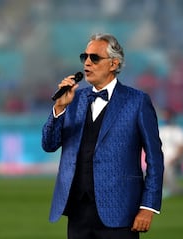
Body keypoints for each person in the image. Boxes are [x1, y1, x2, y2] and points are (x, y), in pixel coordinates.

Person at [42, 33, 164, 239]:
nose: (87, 62)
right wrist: (59, 109)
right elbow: (49, 144)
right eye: (85, 57)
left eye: (95, 58)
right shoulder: (73, 99)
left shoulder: (137, 101)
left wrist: (148, 207)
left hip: (120, 211)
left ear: (113, 64)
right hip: (78, 211)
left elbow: (155, 158)